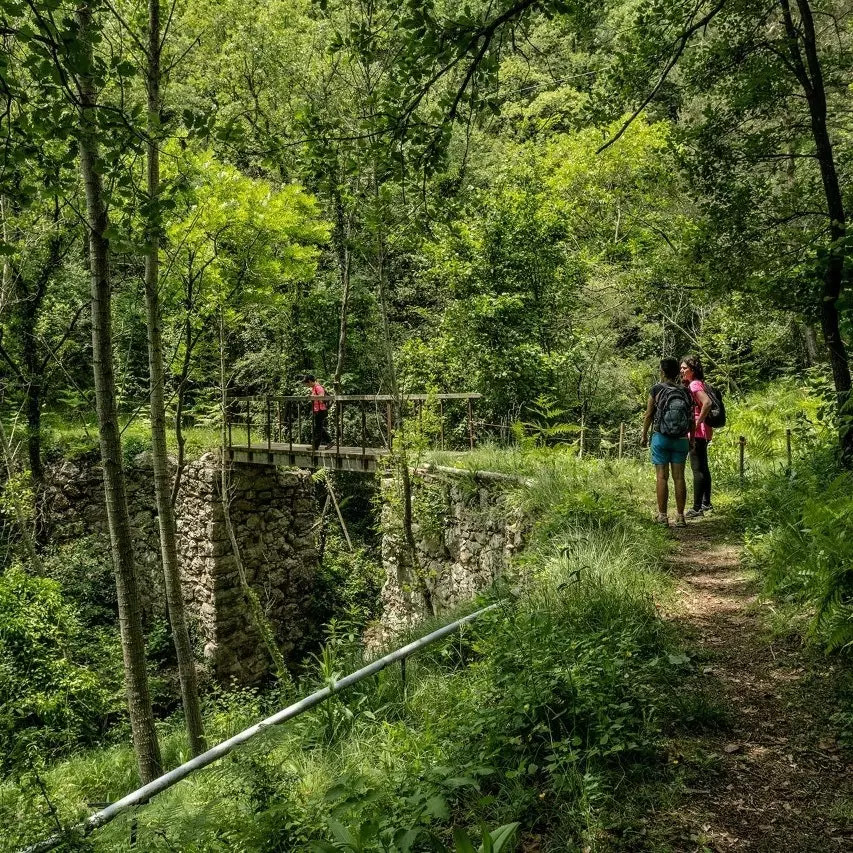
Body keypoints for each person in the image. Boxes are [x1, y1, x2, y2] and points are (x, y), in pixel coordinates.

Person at [641, 357, 695, 527]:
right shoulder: (686, 391)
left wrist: (644, 435)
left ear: (662, 372)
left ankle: (663, 517)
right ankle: (680, 517)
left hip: (661, 438)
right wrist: (691, 438)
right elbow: (691, 418)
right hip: (681, 440)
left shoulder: (656, 389)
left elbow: (649, 414)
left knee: (661, 477)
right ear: (677, 372)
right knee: (679, 478)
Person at [680, 355, 713, 518]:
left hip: (698, 432)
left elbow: (707, 403)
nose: (681, 370)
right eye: (681, 368)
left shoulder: (693, 385)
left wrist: (697, 422)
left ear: (692, 370)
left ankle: (697, 508)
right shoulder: (700, 383)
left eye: (684, 368)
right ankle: (706, 504)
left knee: (697, 469)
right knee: (703, 468)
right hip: (704, 431)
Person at [301, 373, 333, 450]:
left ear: (309, 381)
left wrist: (312, 396)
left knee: (318, 429)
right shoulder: (314, 387)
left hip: (321, 410)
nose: (307, 386)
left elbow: (322, 397)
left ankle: (315, 446)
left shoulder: (318, 387)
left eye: (306, 384)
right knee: (319, 427)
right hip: (318, 410)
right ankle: (330, 442)